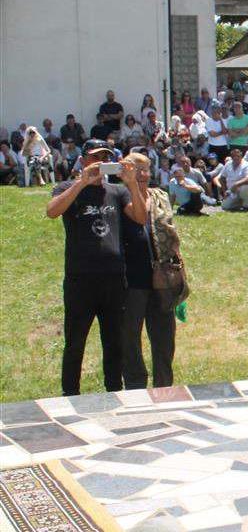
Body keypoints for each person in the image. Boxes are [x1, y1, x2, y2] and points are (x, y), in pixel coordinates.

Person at [46, 139, 147, 395]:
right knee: (75, 342)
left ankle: (113, 391)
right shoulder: (68, 187)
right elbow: (52, 211)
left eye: (105, 157)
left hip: (114, 279)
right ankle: (70, 395)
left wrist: (132, 183)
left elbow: (140, 217)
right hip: (80, 279)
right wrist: (81, 182)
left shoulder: (117, 191)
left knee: (113, 341)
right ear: (83, 161)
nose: (100, 162)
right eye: (95, 157)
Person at [119, 153, 182, 389]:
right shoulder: (118, 196)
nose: (142, 174)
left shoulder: (160, 197)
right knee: (130, 339)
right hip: (132, 280)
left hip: (162, 279)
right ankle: (135, 387)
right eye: (136, 169)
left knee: (165, 339)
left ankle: (164, 387)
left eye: (146, 169)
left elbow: (172, 236)